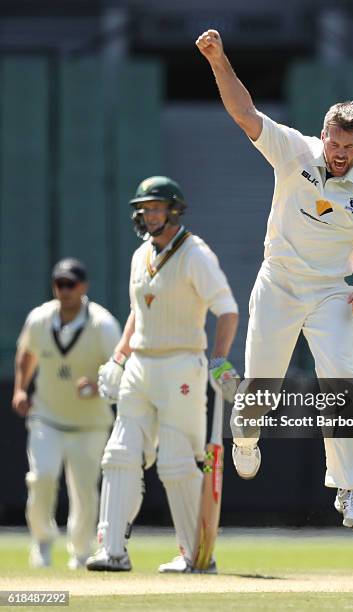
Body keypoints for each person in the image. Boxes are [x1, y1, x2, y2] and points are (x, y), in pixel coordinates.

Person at [196, 30, 353, 528]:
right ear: (323, 136)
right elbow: (245, 115)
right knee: (262, 386)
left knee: (343, 381)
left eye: (349, 145)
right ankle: (245, 439)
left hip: (332, 293)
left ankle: (350, 490)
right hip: (279, 281)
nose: (340, 153)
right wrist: (219, 61)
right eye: (334, 143)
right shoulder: (295, 152)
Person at [86, 176, 239, 573]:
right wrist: (118, 358)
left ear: (174, 211)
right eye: (144, 209)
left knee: (175, 461)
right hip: (140, 365)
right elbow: (139, 311)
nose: (148, 215)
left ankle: (195, 555)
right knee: (118, 455)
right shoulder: (142, 255)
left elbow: (227, 309)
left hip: (182, 366)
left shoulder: (195, 254)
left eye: (155, 208)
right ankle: (112, 550)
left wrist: (220, 360)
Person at [12, 258, 122, 568]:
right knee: (42, 478)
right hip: (46, 417)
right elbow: (26, 352)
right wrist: (20, 389)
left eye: (70, 284)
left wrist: (98, 386)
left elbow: (119, 369)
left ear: (83, 287)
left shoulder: (103, 324)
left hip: (90, 424)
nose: (64, 290)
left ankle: (81, 551)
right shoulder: (40, 318)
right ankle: (43, 541)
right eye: (59, 284)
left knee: (85, 491)